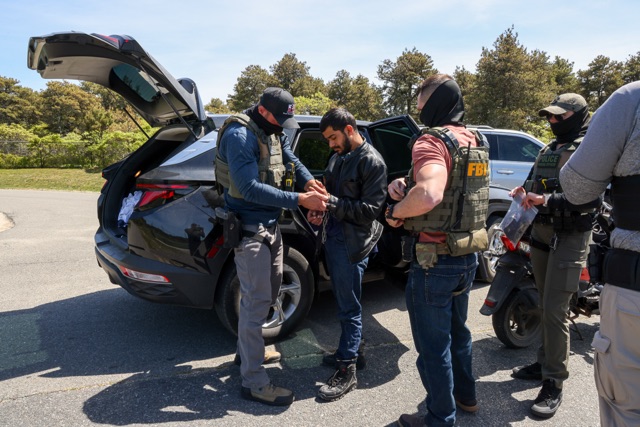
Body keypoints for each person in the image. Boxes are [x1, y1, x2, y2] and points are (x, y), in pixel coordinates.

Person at [385, 74, 490, 426]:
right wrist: (406, 183)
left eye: (421, 106)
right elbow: (456, 187)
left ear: (433, 105)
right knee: (459, 333)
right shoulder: (474, 139)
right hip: (466, 255)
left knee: (433, 347)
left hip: (434, 261)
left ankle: (440, 418)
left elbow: (431, 193)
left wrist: (396, 212)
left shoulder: (430, 140)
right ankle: (466, 397)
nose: (419, 114)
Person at [215, 87, 328, 406]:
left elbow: (290, 158)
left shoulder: (272, 129)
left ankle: (246, 353)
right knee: (255, 301)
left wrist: (309, 181)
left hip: (271, 227)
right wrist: (301, 199)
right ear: (263, 111)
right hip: (250, 231)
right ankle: (253, 382)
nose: (281, 126)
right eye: (278, 120)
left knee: (272, 291)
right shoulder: (240, 136)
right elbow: (250, 188)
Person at [509, 93, 601, 419]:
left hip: (571, 235)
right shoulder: (549, 148)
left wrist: (545, 200)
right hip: (542, 233)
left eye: (559, 117)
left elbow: (588, 197)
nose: (552, 121)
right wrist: (523, 191)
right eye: (549, 116)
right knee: (543, 304)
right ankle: (544, 363)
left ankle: (554, 382)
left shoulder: (590, 148)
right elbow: (532, 181)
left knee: (555, 310)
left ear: (579, 115)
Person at [560, 81, 640, 427]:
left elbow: (577, 187)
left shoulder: (631, 99)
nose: (553, 122)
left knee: (627, 408)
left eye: (560, 116)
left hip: (633, 287)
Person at [306, 108, 388, 401]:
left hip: (353, 244)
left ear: (350, 130)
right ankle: (352, 350)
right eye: (327, 139)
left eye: (333, 137)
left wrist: (331, 203)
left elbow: (369, 212)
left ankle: (347, 369)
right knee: (343, 302)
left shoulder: (372, 161)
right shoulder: (338, 157)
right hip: (333, 237)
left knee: (348, 308)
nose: (331, 144)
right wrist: (320, 209)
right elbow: (332, 191)